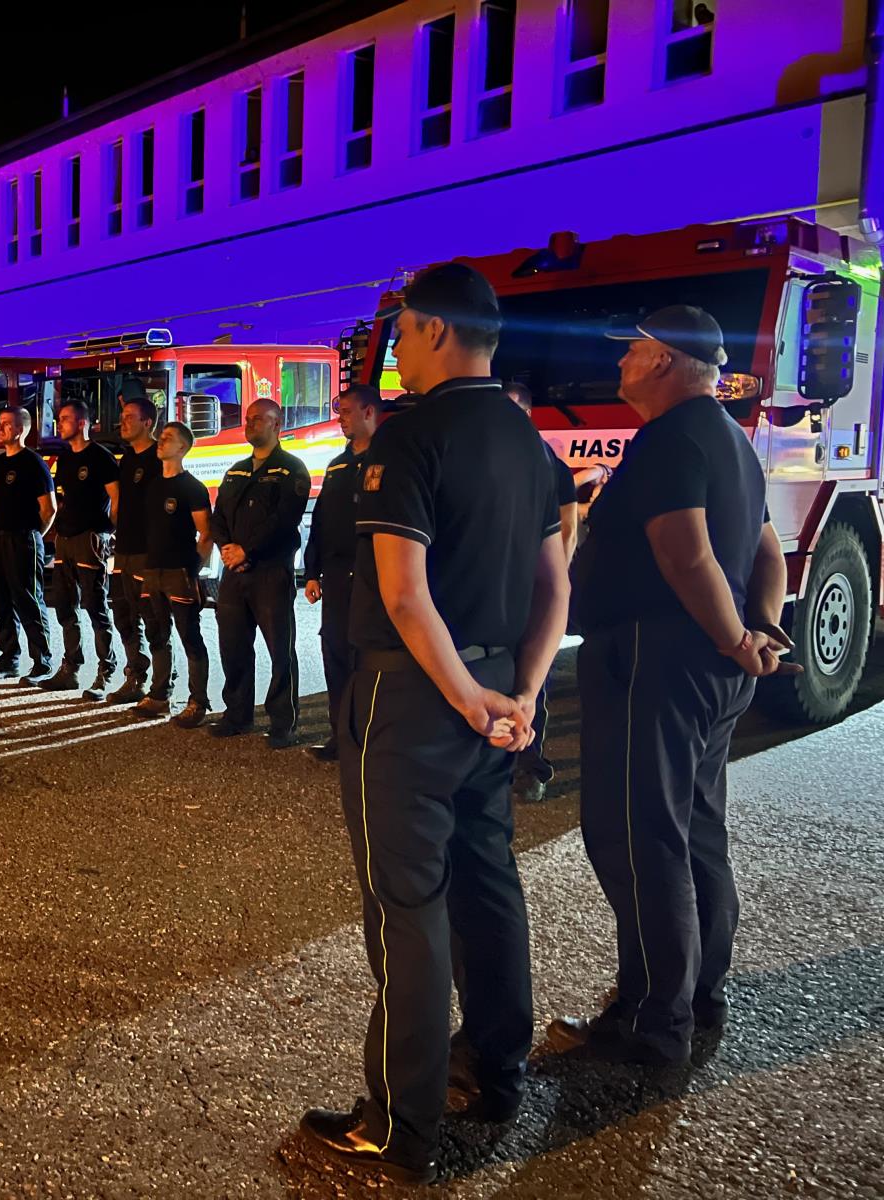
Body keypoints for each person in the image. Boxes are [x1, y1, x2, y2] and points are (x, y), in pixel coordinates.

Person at [298, 263, 569, 1186]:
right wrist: (521, 696)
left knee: (405, 907)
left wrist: (463, 697)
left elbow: (406, 599)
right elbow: (553, 586)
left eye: (405, 334)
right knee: (489, 884)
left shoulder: (411, 441)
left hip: (415, 700)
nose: (398, 354)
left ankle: (400, 1123)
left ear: (440, 332)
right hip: (494, 690)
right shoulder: (529, 441)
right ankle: (497, 1073)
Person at [548, 306, 793, 1068]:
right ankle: (696, 993)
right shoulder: (729, 439)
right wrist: (760, 630)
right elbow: (765, 546)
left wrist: (733, 634)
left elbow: (687, 555)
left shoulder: (670, 439)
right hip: (704, 665)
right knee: (694, 832)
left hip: (656, 660)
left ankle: (652, 1024)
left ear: (663, 361)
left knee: (635, 837)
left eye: (632, 352)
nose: (621, 363)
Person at [208, 399, 310, 749]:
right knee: (233, 647)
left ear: (277, 424)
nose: (250, 425)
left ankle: (284, 723)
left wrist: (246, 551)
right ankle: (237, 714)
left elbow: (283, 521)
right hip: (234, 574)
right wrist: (227, 548)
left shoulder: (292, 470)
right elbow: (218, 515)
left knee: (280, 650)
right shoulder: (236, 470)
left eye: (258, 420)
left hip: (270, 573)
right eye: (248, 419)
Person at [503, 382, 580, 802]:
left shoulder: (549, 464)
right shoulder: (496, 457)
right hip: (499, 589)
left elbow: (568, 529)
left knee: (531, 680)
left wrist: (555, 587)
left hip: (532, 589)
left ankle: (531, 766)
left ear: (528, 414)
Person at [303, 385, 386, 761]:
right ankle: (341, 737)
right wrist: (312, 570)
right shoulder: (337, 464)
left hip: (373, 574)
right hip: (336, 576)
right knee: (335, 653)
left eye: (348, 411)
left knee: (368, 659)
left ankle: (371, 740)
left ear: (370, 412)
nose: (341, 418)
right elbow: (320, 522)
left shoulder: (389, 460)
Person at [133, 421, 213, 727]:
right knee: (157, 633)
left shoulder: (192, 488)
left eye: (168, 438)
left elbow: (206, 534)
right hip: (152, 571)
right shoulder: (154, 486)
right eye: (161, 437)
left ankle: (198, 702)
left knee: (189, 635)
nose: (160, 441)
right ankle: (159, 695)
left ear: (183, 447)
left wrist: (192, 570)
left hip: (179, 572)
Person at [42, 399, 120, 699]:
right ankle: (70, 669)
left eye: (64, 419)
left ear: (82, 423)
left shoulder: (101, 458)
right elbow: (63, 501)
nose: (58, 424)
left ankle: (106, 671)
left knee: (96, 606)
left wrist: (108, 533)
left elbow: (117, 498)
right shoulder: (65, 459)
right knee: (65, 605)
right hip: (66, 540)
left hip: (90, 539)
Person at [0, 406, 55, 683]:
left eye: (6, 425)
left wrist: (33, 535)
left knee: (28, 599)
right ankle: (9, 657)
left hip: (23, 539)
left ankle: (42, 660)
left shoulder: (34, 463)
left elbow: (49, 509)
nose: (0, 429)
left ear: (20, 429)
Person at [107, 395, 160, 703]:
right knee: (124, 616)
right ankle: (135, 677)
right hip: (124, 549)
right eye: (123, 417)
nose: (122, 422)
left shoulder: (158, 458)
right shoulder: (126, 459)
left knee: (152, 619)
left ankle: (161, 685)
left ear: (147, 422)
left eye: (129, 417)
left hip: (146, 552)